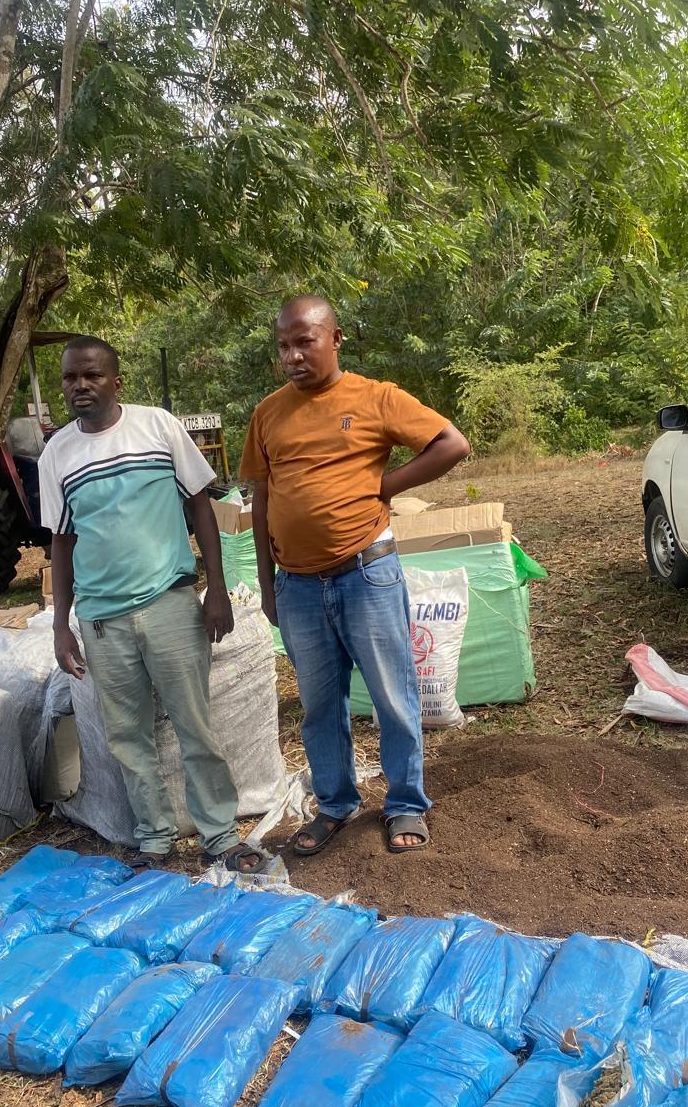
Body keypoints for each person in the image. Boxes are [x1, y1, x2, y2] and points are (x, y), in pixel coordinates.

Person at [240, 296, 470, 855]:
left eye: (305, 341)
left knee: (393, 697)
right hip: (297, 587)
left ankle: (406, 804)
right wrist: (268, 586)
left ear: (336, 338)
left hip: (366, 575)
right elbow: (262, 499)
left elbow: (451, 443)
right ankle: (336, 806)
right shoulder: (269, 413)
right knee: (320, 706)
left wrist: (385, 487)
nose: (293, 355)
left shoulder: (375, 398)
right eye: (283, 345)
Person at [38, 335, 264, 873]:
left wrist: (215, 588)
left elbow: (201, 508)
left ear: (116, 381)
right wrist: (60, 625)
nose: (80, 386)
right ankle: (154, 840)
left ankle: (219, 837)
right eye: (71, 378)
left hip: (170, 605)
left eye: (91, 375)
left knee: (195, 728)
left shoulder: (158, 426)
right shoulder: (57, 454)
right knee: (127, 737)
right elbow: (62, 543)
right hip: (102, 621)